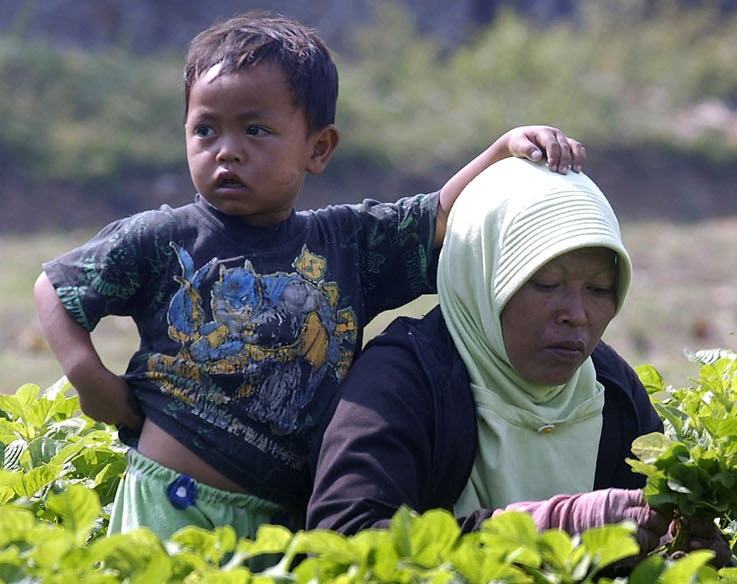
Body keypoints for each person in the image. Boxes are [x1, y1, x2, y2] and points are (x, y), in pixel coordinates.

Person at [33, 12, 586, 538]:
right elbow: (55, 289)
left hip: (287, 518)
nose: (228, 152)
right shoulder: (160, 237)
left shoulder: (347, 244)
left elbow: (438, 215)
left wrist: (506, 147)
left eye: (255, 130)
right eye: (206, 130)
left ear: (318, 148)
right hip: (173, 501)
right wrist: (88, 378)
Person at [307, 157, 730, 566]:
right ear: (485, 274)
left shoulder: (611, 392)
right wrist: (553, 529)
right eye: (546, 284)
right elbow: (342, 544)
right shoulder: (406, 381)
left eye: (599, 290)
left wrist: (687, 552)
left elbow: (650, 548)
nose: (577, 314)